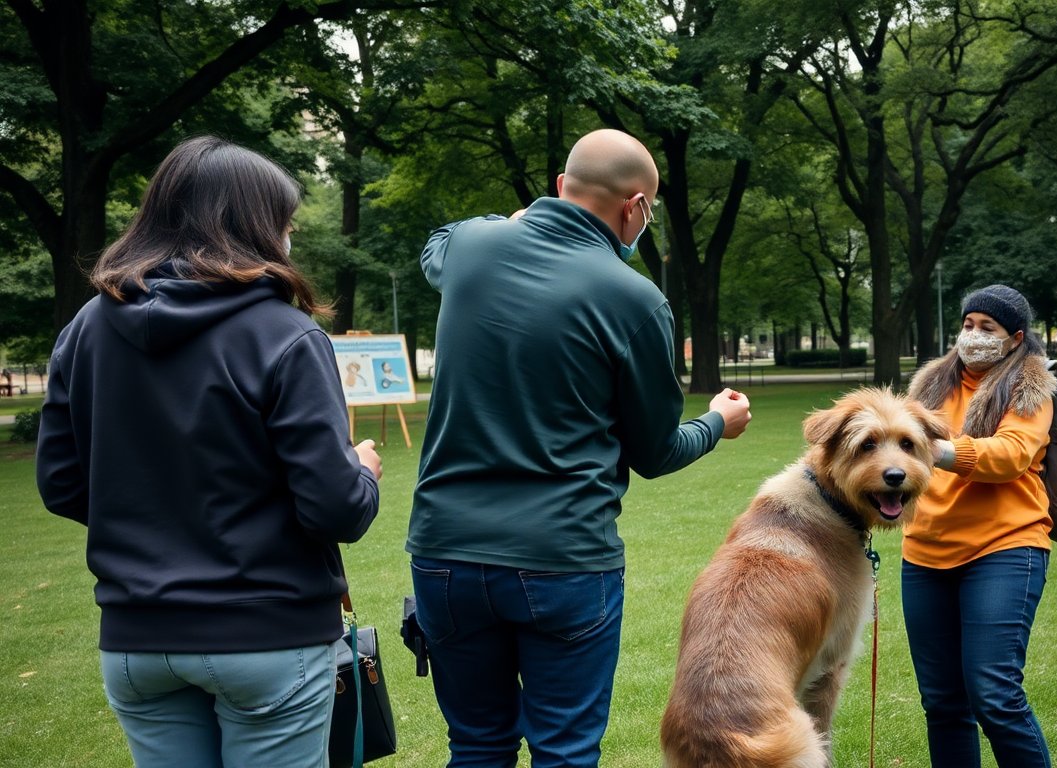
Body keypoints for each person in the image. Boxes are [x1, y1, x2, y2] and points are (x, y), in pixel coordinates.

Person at [408, 128, 752, 767]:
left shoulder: (471, 249)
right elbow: (654, 452)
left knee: (476, 746)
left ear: (562, 187)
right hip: (563, 560)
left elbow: (437, 241)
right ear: (637, 208)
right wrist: (715, 424)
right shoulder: (636, 301)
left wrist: (515, 220)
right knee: (564, 753)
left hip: (445, 554)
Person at [35, 136, 382, 768]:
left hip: (139, 639)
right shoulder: (286, 333)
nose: (290, 239)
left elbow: (62, 483)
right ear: (254, 227)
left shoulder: (86, 326)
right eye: (286, 224)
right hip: (269, 635)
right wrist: (362, 471)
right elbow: (335, 508)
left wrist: (157, 512)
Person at [903, 284, 1056, 767]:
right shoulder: (931, 384)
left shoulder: (1029, 387)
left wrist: (936, 450)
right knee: (943, 704)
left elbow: (1012, 454)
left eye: (987, 328)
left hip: (1005, 547)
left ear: (1015, 338)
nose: (973, 335)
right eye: (968, 325)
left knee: (995, 696)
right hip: (924, 553)